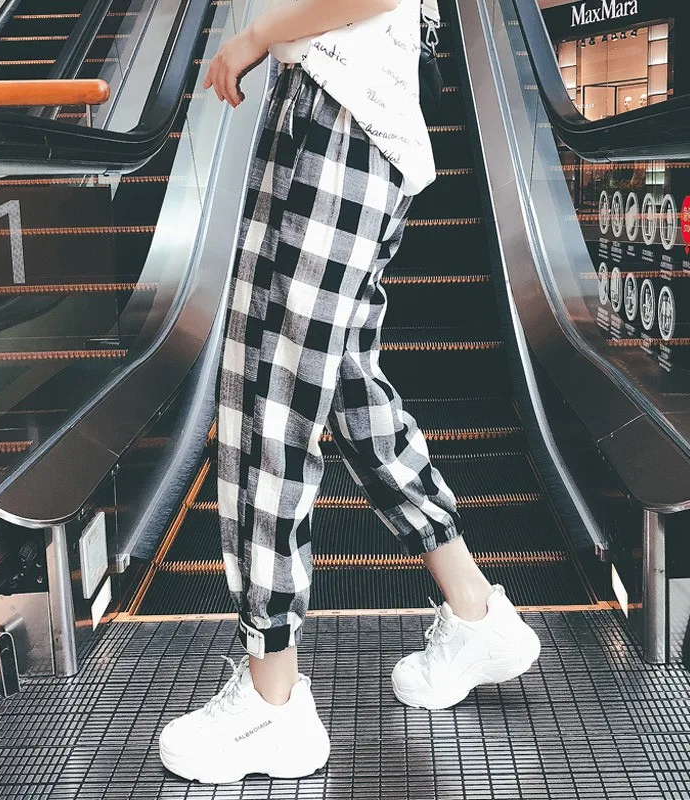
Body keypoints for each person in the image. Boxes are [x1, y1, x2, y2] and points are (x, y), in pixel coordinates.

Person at [159, 0, 541, 784]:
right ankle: (474, 610)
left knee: (273, 397)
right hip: (342, 104)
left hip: (340, 113)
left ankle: (271, 700)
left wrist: (256, 35)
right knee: (342, 383)